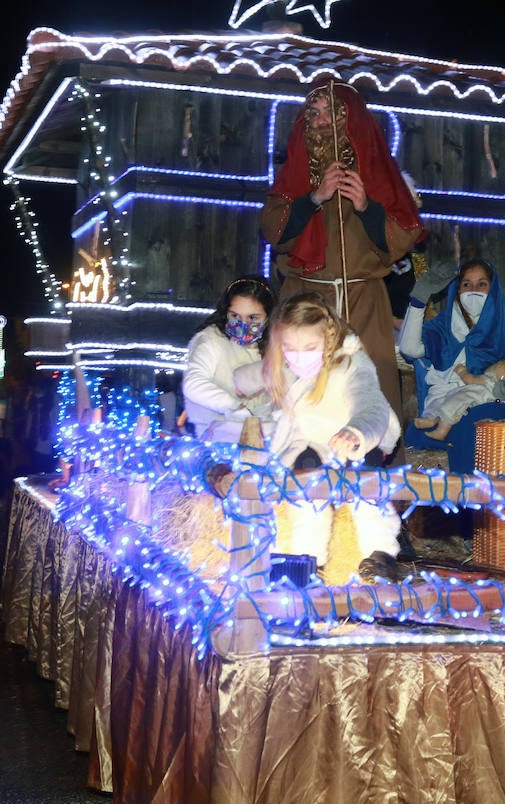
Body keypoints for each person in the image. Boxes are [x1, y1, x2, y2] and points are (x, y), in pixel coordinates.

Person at [261, 79, 425, 412]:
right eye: (315, 114)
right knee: (300, 394)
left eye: (332, 114)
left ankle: (369, 461)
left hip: (363, 303)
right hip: (305, 301)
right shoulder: (294, 173)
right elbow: (273, 229)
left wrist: (367, 207)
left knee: (366, 397)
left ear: (351, 119)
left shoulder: (379, 171)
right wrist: (313, 198)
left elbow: (403, 235)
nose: (321, 122)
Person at [233, 292, 404, 581]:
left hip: (356, 442)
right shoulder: (286, 366)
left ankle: (379, 555)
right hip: (311, 447)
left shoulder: (350, 365)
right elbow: (252, 376)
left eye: (309, 347)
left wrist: (356, 431)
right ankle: (306, 559)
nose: (299, 355)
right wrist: (233, 384)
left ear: (328, 338)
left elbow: (371, 405)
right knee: (304, 488)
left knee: (366, 490)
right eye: (290, 348)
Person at [398, 258, 505, 441]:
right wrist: (419, 299)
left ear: (492, 289)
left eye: (482, 284)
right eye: (467, 284)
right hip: (442, 400)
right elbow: (409, 349)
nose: (474, 290)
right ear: (458, 289)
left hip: (484, 400)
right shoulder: (443, 325)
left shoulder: (504, 331)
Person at [182, 275, 276, 442]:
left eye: (253, 318)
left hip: (266, 438)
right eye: (235, 316)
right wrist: (234, 407)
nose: (243, 324)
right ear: (226, 312)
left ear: (269, 317)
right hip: (216, 439)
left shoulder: (277, 345)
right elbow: (193, 384)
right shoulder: (211, 340)